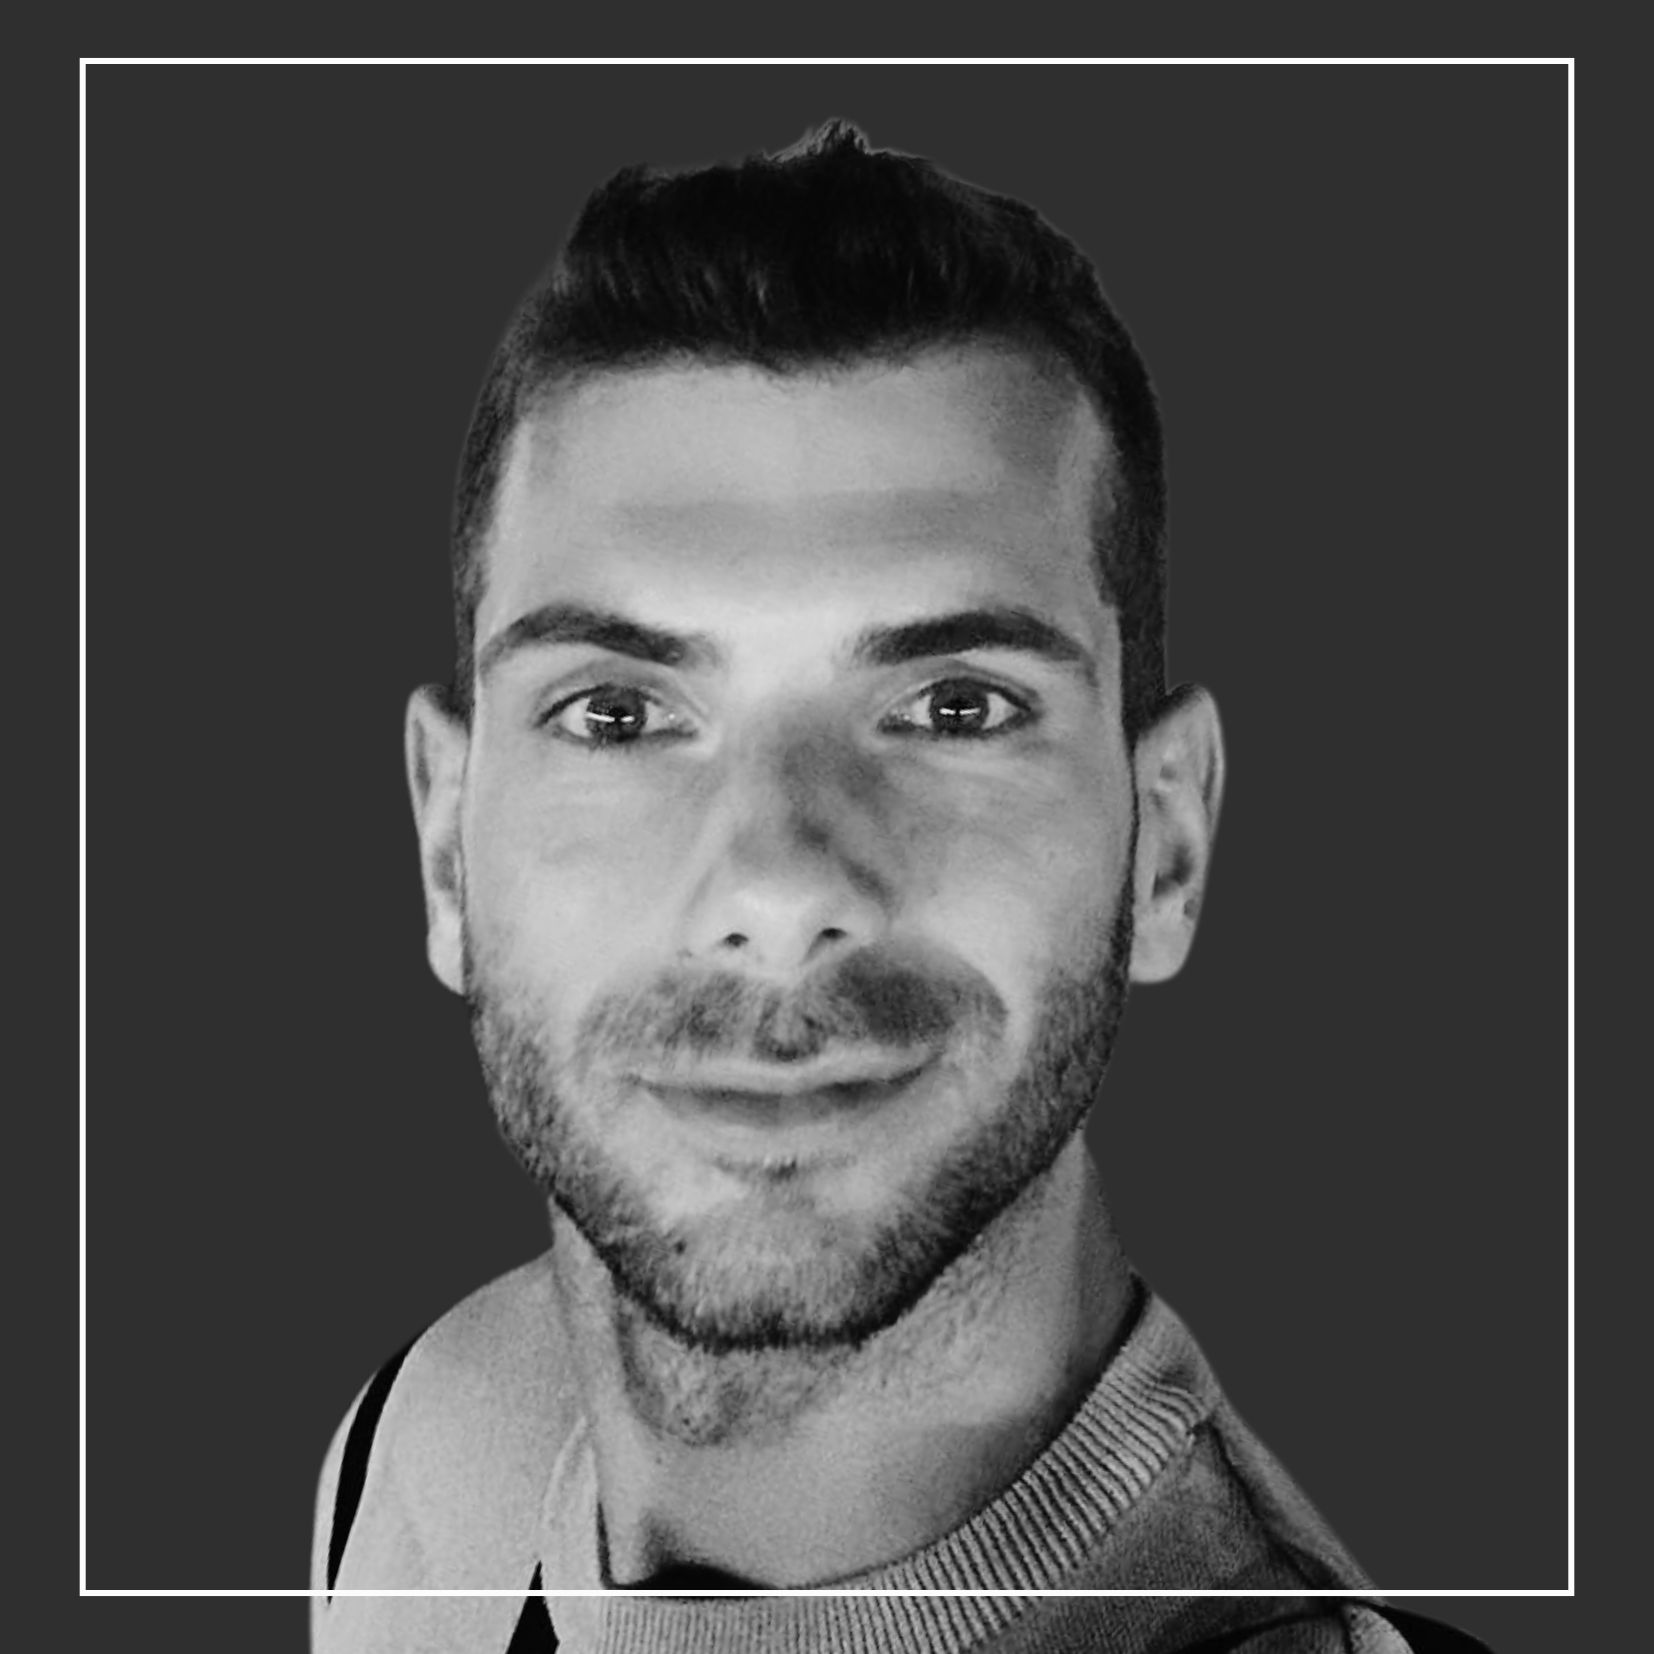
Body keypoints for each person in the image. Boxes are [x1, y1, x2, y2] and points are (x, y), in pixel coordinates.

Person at [309, 121, 1441, 1654]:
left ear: (1165, 843)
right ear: (447, 843)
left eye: (954, 707)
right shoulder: (420, 1445)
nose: (778, 883)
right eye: (618, 713)